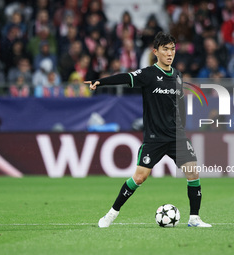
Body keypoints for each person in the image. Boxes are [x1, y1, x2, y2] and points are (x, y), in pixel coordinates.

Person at [84, 32, 212, 228]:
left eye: (172, 49)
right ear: (156, 52)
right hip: (154, 138)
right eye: (165, 49)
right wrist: (101, 82)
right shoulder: (148, 74)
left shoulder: (177, 76)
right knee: (139, 177)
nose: (170, 53)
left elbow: (180, 103)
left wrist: (182, 128)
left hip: (176, 137)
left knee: (193, 173)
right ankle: (111, 214)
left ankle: (194, 218)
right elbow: (126, 77)